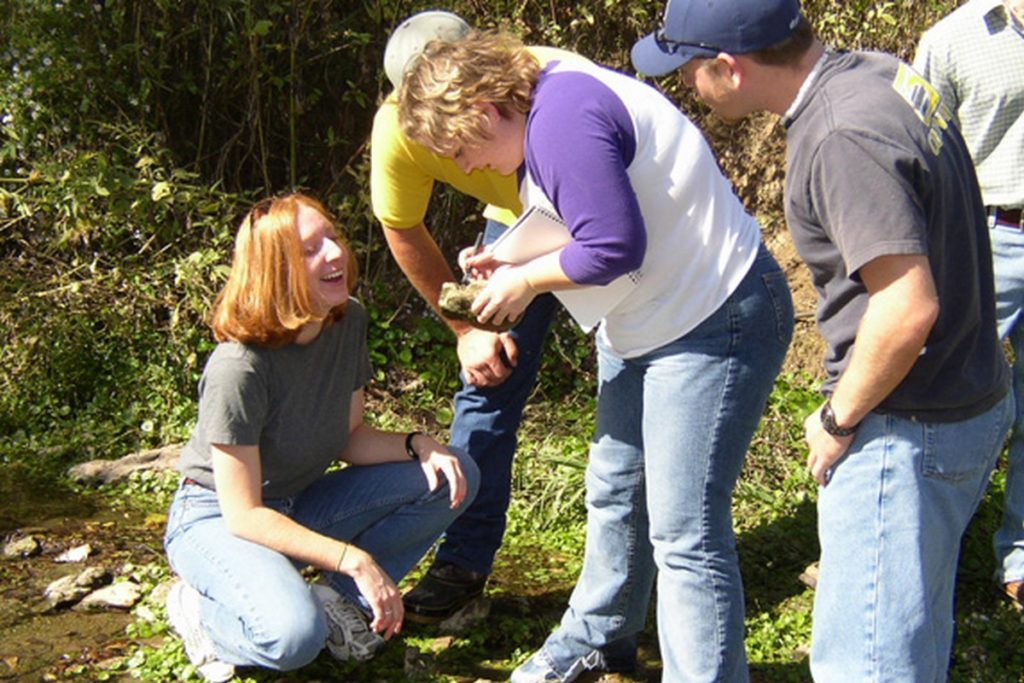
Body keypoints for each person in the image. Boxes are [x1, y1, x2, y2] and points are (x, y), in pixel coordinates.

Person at [632, 0, 1013, 680]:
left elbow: (905, 307)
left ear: (730, 67)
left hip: (906, 426)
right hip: (963, 397)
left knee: (866, 663)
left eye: (690, 69)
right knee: (908, 641)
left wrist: (838, 418)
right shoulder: (879, 73)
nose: (687, 85)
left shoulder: (843, 134)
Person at [398, 29, 794, 683]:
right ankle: (599, 640)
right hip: (644, 323)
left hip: (713, 318)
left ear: (488, 108)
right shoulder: (540, 120)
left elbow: (613, 245)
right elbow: (582, 212)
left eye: (461, 148)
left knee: (685, 532)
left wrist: (525, 282)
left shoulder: (563, 118)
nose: (465, 168)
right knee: (616, 486)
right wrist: (512, 256)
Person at [163, 193, 479, 682]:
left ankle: (338, 603)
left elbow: (348, 438)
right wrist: (350, 556)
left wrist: (421, 444)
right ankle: (202, 614)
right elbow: (244, 514)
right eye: (310, 249)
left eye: (332, 237)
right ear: (275, 269)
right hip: (219, 520)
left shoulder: (346, 319)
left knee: (455, 473)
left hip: (298, 502)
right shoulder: (238, 367)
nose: (334, 254)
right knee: (293, 639)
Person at [373, 11, 585, 622]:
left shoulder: (547, 86)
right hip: (516, 220)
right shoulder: (398, 128)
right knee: (486, 381)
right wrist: (467, 331)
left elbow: (614, 228)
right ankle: (462, 565)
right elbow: (401, 225)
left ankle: (638, 564)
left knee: (633, 370)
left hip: (595, 199)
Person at [913, 0, 1024, 610]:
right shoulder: (952, 38)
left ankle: (1020, 556)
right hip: (984, 239)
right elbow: (916, 148)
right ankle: (897, 538)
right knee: (931, 392)